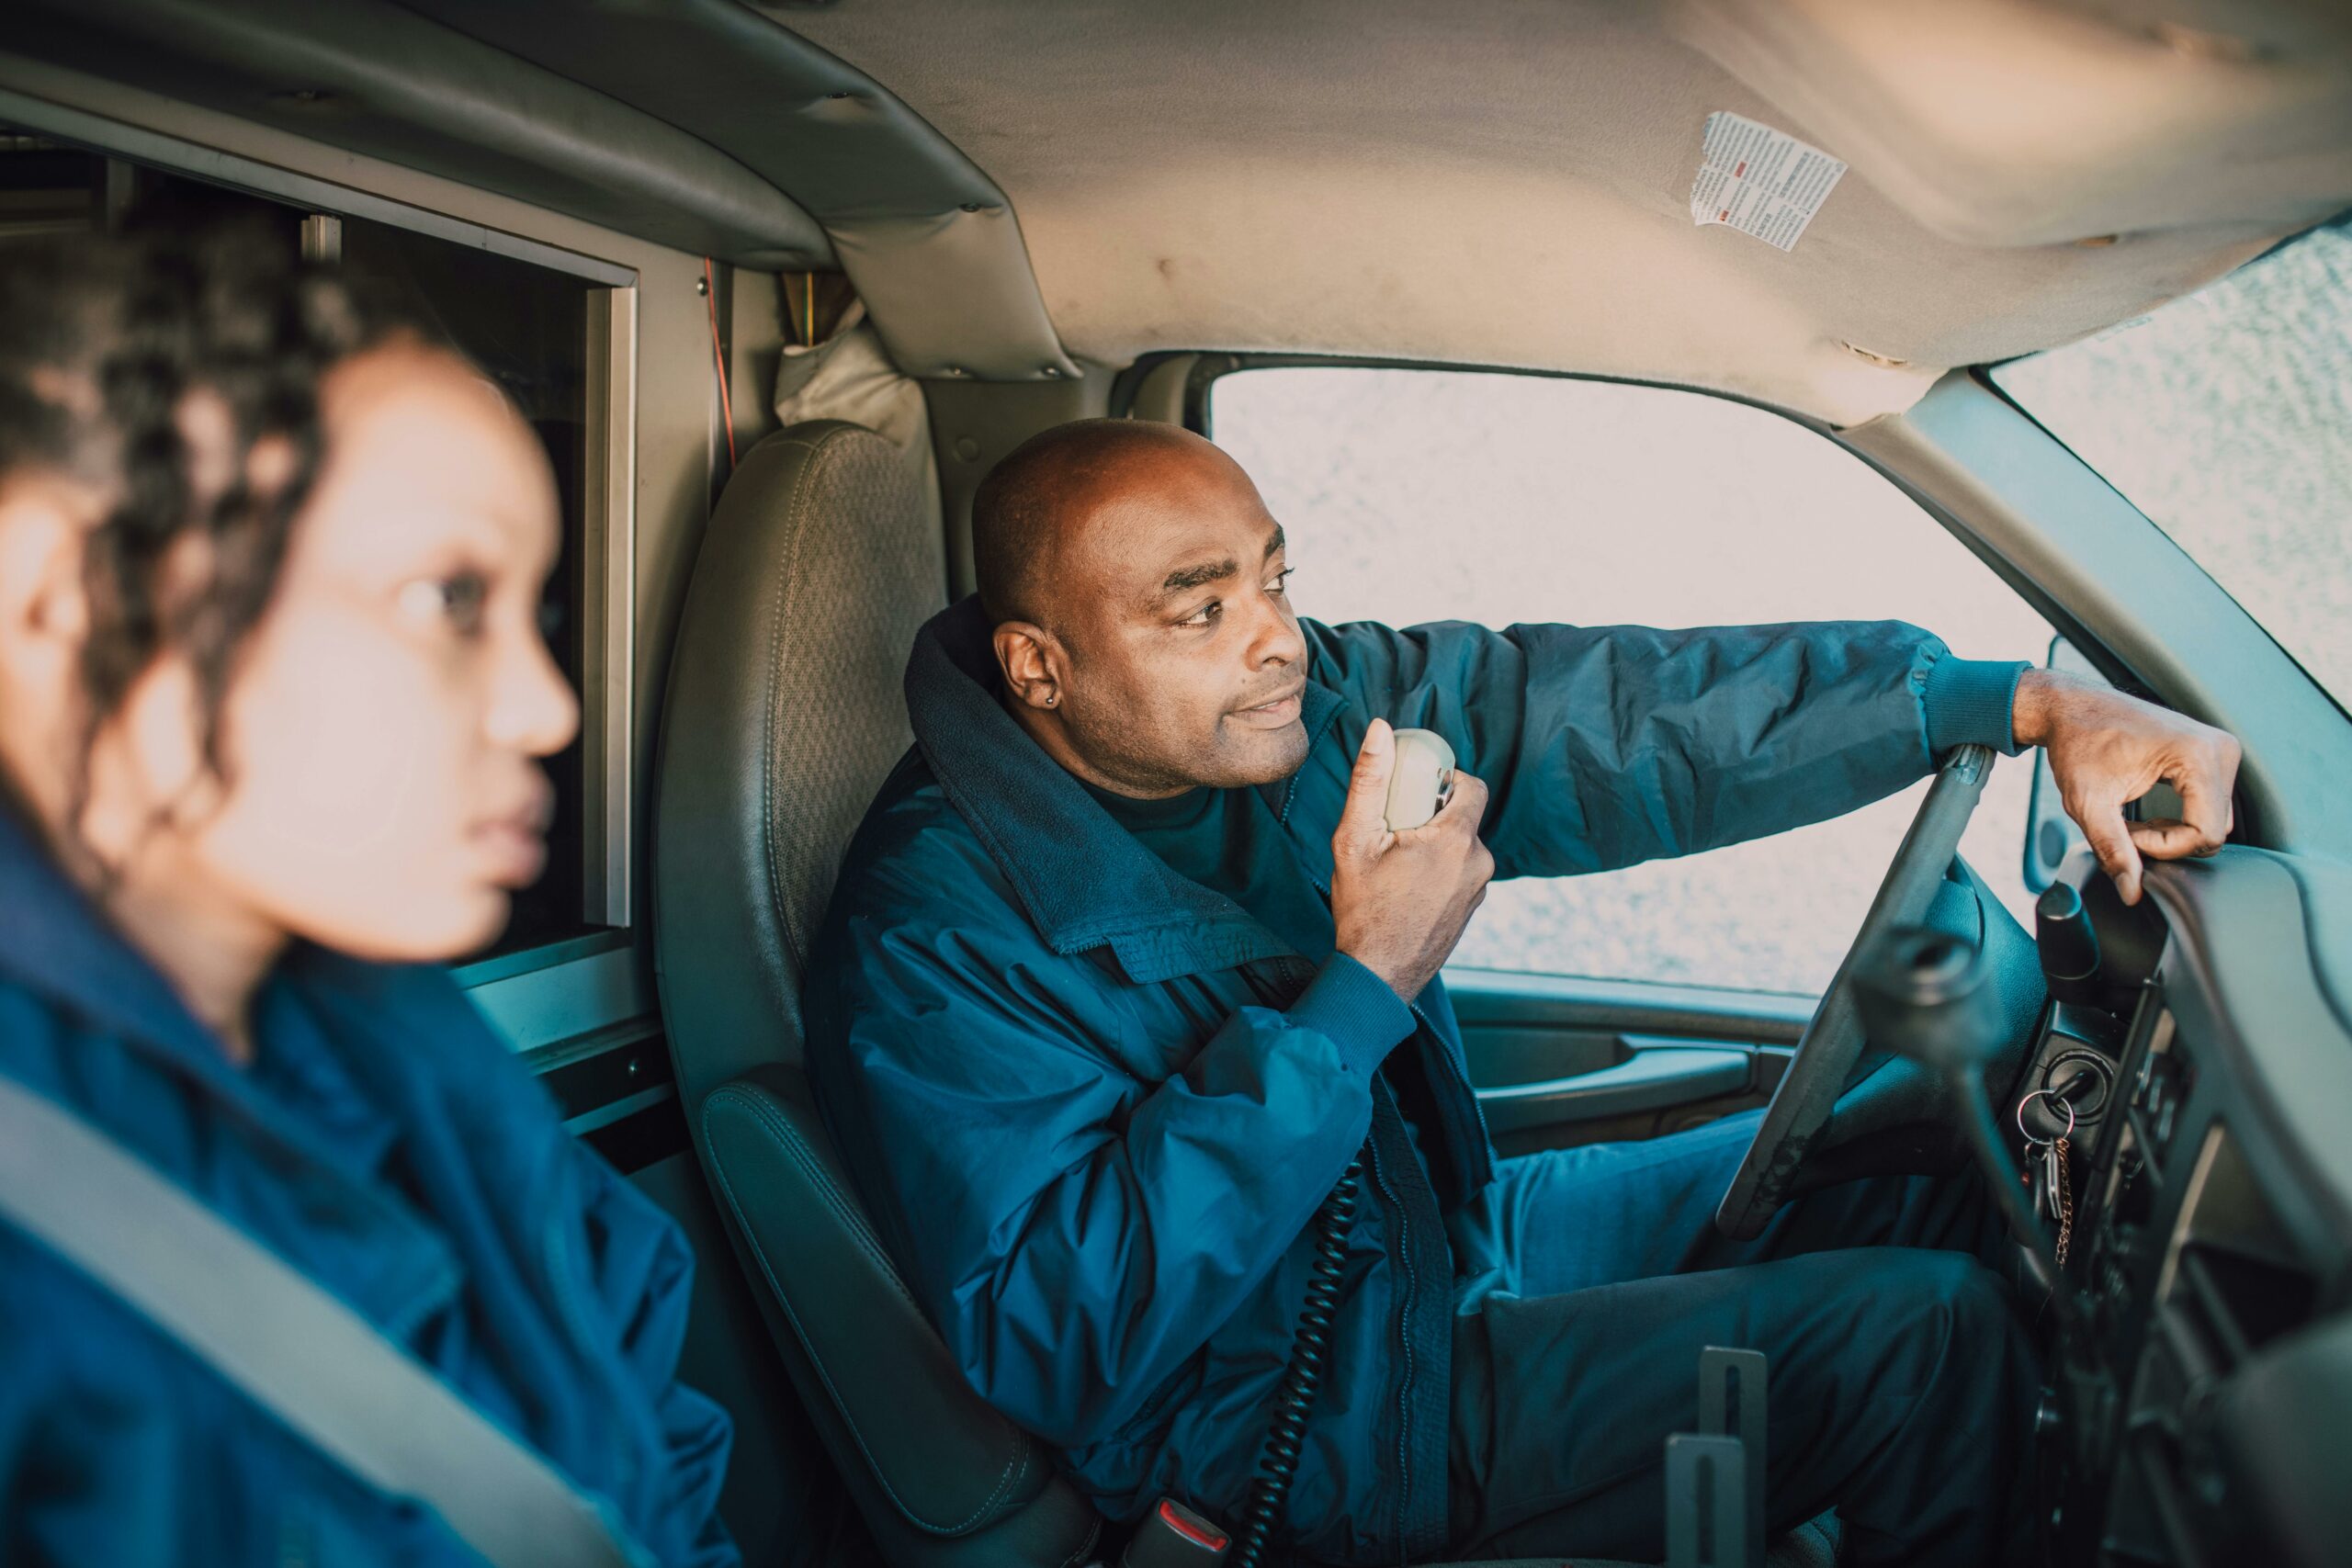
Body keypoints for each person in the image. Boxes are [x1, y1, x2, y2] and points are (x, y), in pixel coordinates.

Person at [804, 418, 2241, 1567]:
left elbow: (1609, 720)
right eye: (1202, 609)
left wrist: (2012, 705)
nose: (1278, 640)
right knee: (1931, 1346)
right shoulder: (930, 940)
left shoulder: (1299, 717)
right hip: (1287, 1416)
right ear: (1038, 668)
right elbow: (1068, 1323)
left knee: (1917, 1166)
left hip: (1429, 1248)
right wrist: (1364, 984)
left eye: (1275, 578)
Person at [0, 226, 736, 1566]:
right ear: (65, 595)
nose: (544, 703)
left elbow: (647, 1449)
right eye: (447, 598)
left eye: (540, 616)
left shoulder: (403, 1039)